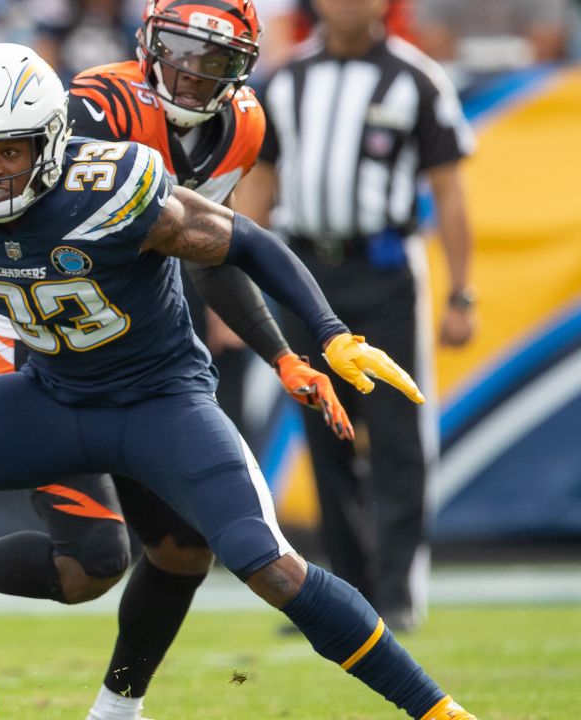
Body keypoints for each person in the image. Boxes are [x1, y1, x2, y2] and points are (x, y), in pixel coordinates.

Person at [0, 41, 478, 720]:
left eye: (9, 151)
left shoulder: (116, 190)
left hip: (158, 401)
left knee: (266, 564)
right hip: (49, 395)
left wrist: (326, 334)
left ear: (49, 144)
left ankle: (438, 712)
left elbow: (247, 241)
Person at [236, 0, 477, 634]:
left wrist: (462, 292)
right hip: (308, 274)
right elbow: (260, 181)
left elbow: (449, 189)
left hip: (386, 272)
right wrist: (234, 288)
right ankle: (347, 596)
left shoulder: (416, 78)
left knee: (398, 436)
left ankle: (398, 591)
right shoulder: (285, 81)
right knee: (324, 434)